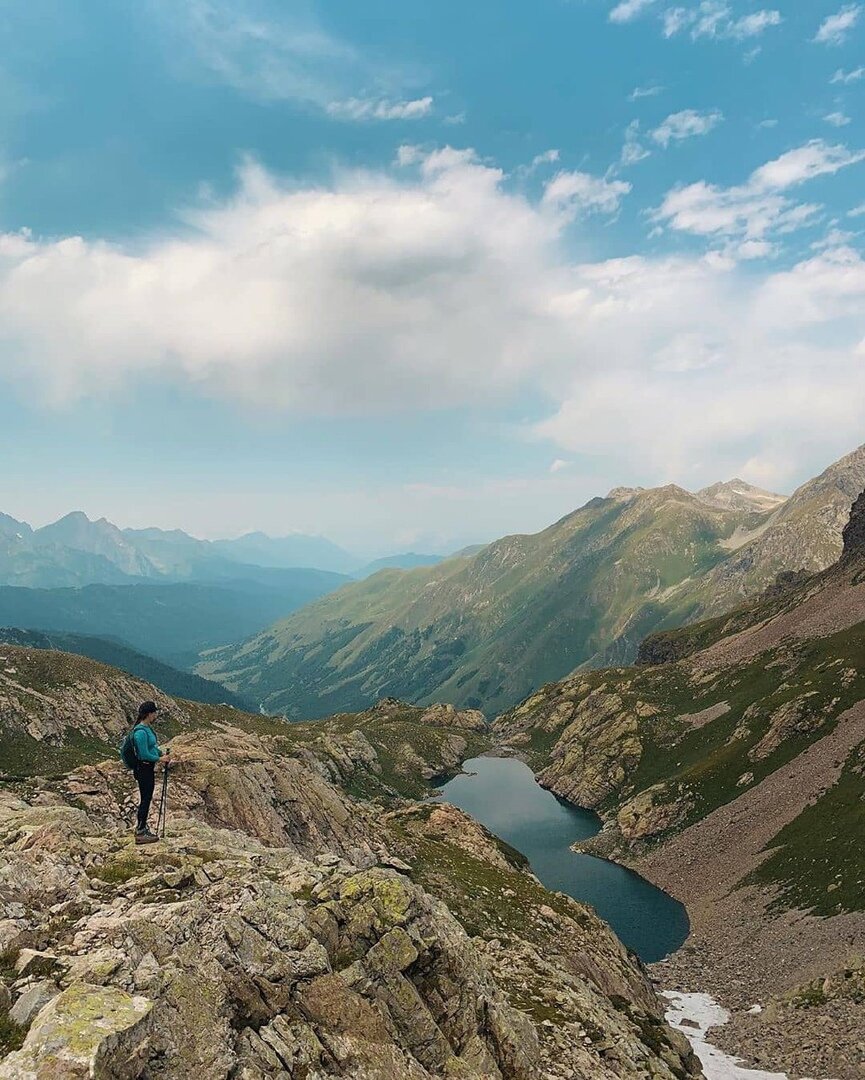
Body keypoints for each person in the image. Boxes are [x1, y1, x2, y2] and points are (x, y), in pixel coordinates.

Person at [130, 700, 170, 844]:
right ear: (149, 714)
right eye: (154, 712)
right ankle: (140, 831)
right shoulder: (140, 732)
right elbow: (144, 754)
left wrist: (160, 753)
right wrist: (160, 758)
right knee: (145, 799)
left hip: (147, 768)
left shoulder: (146, 729)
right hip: (144, 768)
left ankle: (142, 828)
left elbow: (151, 747)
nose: (156, 715)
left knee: (146, 798)